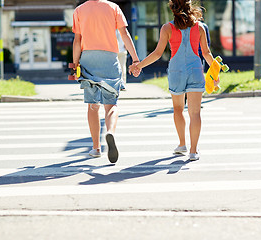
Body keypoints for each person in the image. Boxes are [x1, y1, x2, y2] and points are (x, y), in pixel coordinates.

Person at [129, 0, 219, 161]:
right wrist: (215, 73)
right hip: (195, 70)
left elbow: (157, 53)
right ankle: (193, 151)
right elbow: (206, 53)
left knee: (178, 109)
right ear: (190, 7)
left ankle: (182, 144)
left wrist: (139, 65)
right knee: (195, 112)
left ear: (173, 8)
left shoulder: (167, 28)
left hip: (176, 71)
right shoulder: (199, 27)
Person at [72, 0, 139, 163]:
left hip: (88, 60)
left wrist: (75, 66)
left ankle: (96, 147)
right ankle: (110, 132)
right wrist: (136, 60)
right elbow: (124, 35)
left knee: (92, 106)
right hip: (109, 59)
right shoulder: (113, 8)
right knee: (111, 105)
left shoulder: (79, 10)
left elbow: (77, 40)